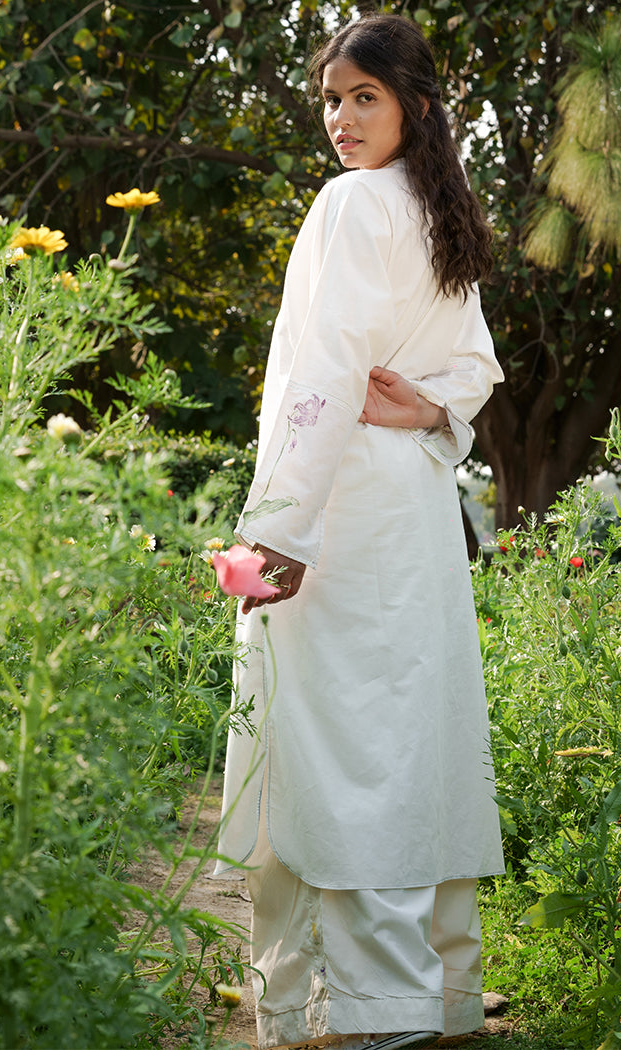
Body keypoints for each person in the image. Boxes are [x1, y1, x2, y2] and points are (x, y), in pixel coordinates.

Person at [213, 13, 505, 1049]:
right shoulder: (439, 211)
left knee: (339, 744)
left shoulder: (353, 204)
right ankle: (440, 996)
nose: (340, 117)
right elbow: (472, 371)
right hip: (411, 510)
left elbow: (324, 373)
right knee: (407, 738)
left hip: (340, 510)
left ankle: (353, 1011)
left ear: (415, 105)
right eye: (332, 99)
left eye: (363, 97)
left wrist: (279, 532)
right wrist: (430, 411)